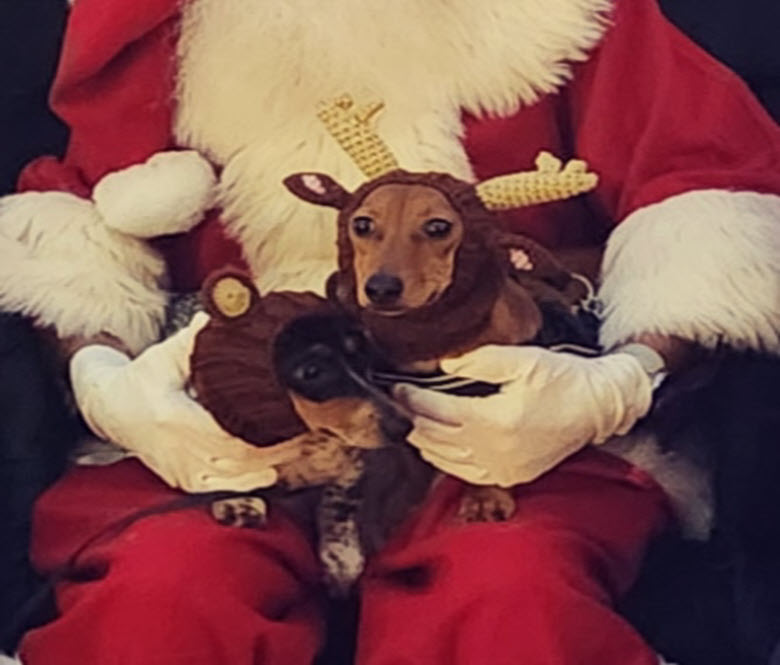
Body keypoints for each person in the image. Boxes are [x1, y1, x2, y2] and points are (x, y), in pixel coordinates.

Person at [2, 0, 780, 663]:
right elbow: (80, 227)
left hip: (503, 413)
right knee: (159, 596)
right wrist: (105, 384)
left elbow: (707, 193)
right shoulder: (163, 26)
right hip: (233, 413)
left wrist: (622, 380)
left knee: (512, 597)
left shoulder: (572, 15)